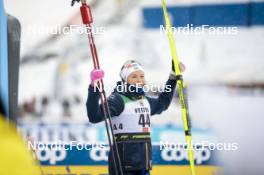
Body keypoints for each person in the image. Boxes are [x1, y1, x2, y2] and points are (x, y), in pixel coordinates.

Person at [86, 60, 185, 175]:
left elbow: (163, 104)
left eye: (142, 76)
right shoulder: (118, 99)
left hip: (143, 165)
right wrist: (94, 87)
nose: (139, 80)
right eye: (134, 76)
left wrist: (173, 77)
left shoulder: (144, 100)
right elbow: (94, 116)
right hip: (123, 166)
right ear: (125, 80)